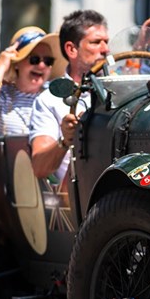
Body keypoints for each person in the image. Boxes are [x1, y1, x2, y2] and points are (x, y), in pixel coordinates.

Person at [29, 10, 108, 179]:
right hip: (74, 191)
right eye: (96, 42)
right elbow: (39, 167)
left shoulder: (119, 90)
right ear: (72, 49)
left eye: (106, 42)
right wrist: (65, 140)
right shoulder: (49, 100)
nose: (105, 49)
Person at [0, 25, 65, 153]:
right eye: (34, 59)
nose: (41, 65)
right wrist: (1, 67)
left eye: (48, 61)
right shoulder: (2, 95)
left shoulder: (55, 97)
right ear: (17, 63)